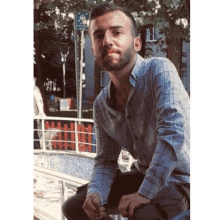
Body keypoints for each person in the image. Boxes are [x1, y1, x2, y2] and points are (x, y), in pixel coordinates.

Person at [62, 3, 190, 220]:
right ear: (93, 48)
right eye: (98, 35)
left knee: (141, 213)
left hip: (185, 179)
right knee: (75, 207)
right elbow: (106, 161)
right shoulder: (102, 105)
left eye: (117, 32)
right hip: (144, 175)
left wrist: (144, 193)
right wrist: (96, 193)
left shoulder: (160, 69)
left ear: (137, 43)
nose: (107, 41)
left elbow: (173, 135)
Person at [33, 77, 46, 149]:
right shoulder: (34, 88)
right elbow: (39, 100)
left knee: (34, 133)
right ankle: (36, 147)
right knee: (34, 133)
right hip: (33, 115)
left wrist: (41, 112)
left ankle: (36, 147)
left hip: (33, 116)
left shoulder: (34, 88)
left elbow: (39, 101)